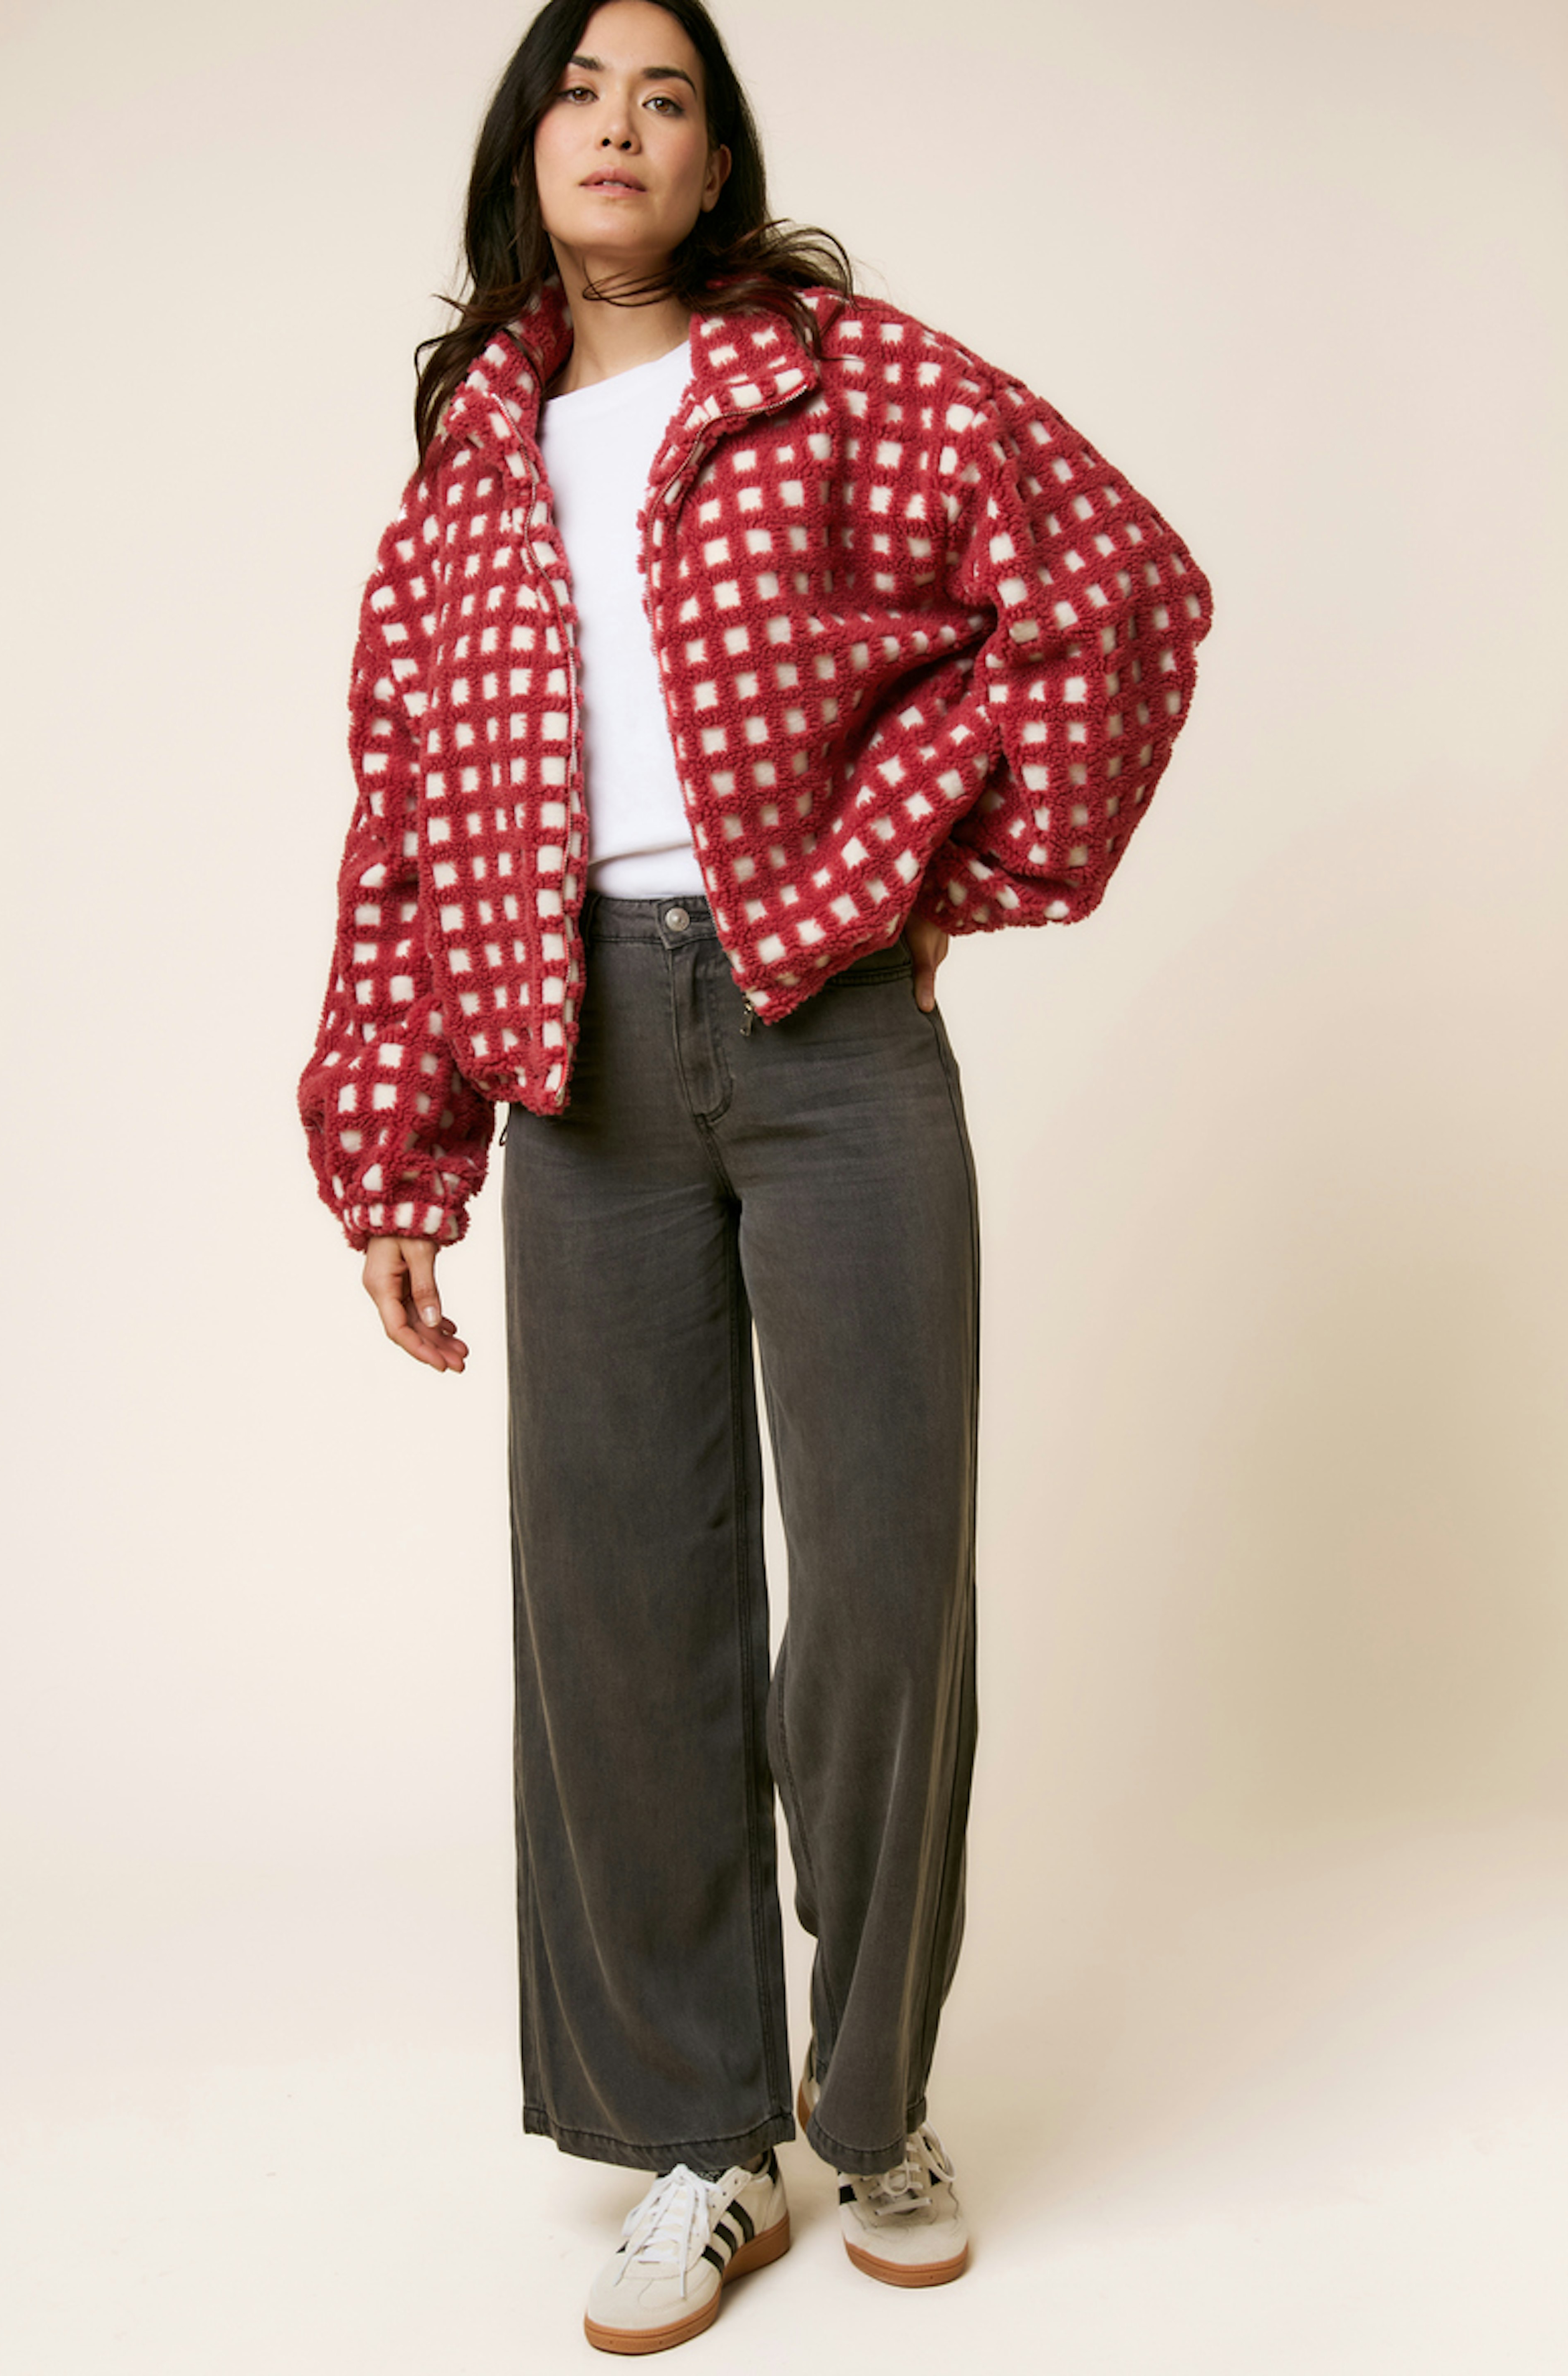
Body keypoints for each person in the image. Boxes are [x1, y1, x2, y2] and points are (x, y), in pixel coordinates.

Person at [297, 0, 1212, 2352]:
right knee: (624, 1614)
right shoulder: (463, 482)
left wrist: (931, 874)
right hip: (574, 1065)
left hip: (830, 1041)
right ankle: (707, 2142)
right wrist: (396, 1151)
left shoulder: (843, 379)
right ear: (527, 147)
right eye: (583, 91)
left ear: (717, 165)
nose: (621, 126)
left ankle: (874, 2095)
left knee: (887, 1592)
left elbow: (1118, 586)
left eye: (669, 97)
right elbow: (403, 827)